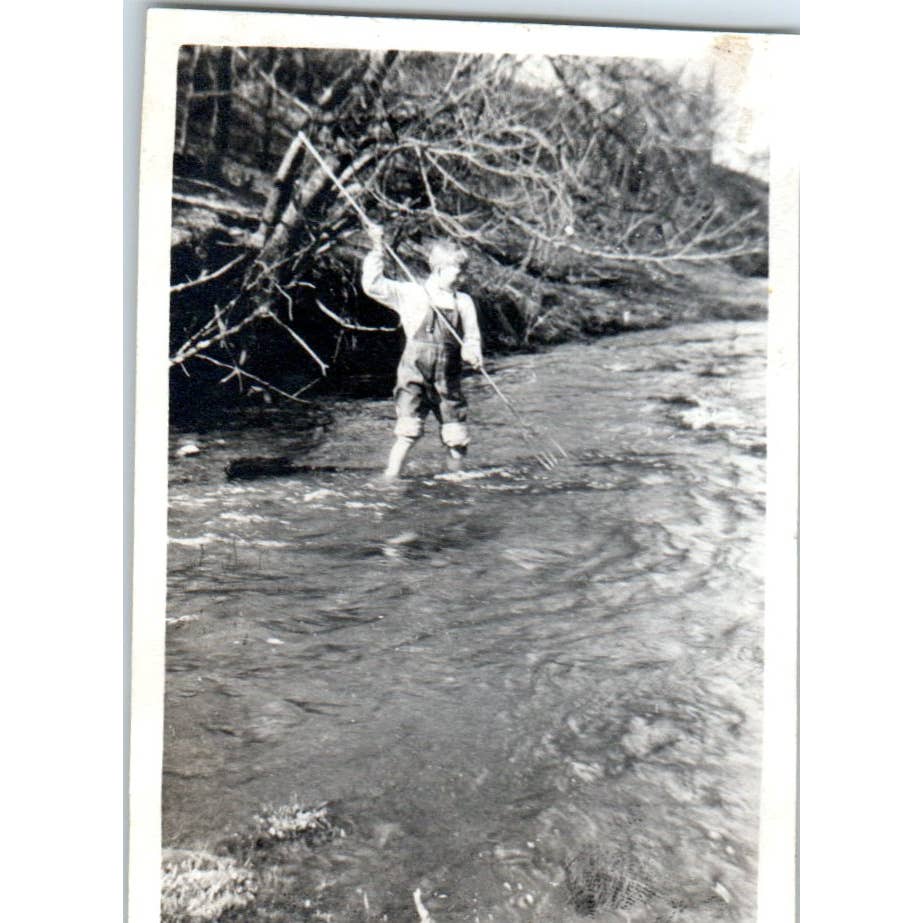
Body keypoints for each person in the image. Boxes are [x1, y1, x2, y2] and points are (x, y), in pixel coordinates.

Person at [361, 223, 483, 480]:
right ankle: (390, 479)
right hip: (414, 376)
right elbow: (372, 285)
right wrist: (377, 247)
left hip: (448, 380)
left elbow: (471, 337)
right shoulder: (412, 294)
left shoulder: (464, 302)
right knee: (408, 433)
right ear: (438, 269)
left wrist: (472, 353)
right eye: (458, 272)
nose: (463, 278)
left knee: (457, 439)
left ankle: (456, 481)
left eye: (465, 272)